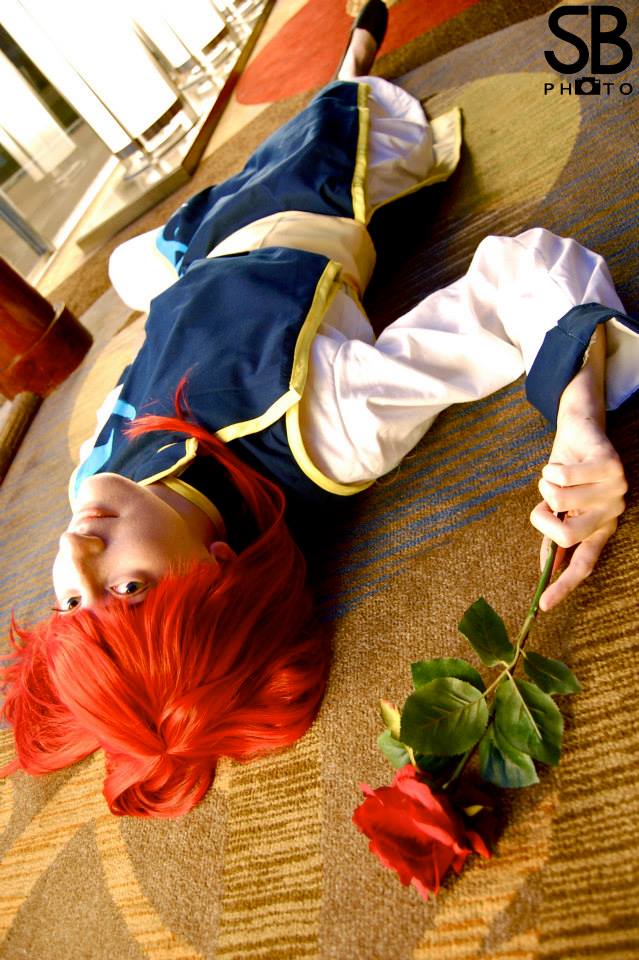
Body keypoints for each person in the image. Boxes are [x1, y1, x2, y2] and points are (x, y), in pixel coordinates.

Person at [1, 0, 637, 819]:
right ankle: (361, 37)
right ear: (222, 568)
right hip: (295, 204)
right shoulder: (332, 426)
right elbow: (527, 277)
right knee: (345, 98)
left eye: (69, 602)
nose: (74, 551)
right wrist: (578, 416)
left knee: (128, 267)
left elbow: (130, 386)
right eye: (126, 588)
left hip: (195, 259)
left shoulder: (91, 485)